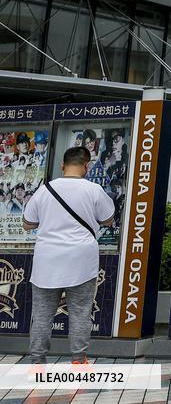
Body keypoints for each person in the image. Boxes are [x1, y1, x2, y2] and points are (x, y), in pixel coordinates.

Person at [22, 146, 115, 364]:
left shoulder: (45, 190)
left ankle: (37, 361)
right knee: (80, 312)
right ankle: (78, 359)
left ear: (62, 166)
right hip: (81, 261)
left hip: (47, 262)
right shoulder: (93, 190)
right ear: (87, 167)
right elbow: (108, 219)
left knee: (43, 315)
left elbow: (27, 224)